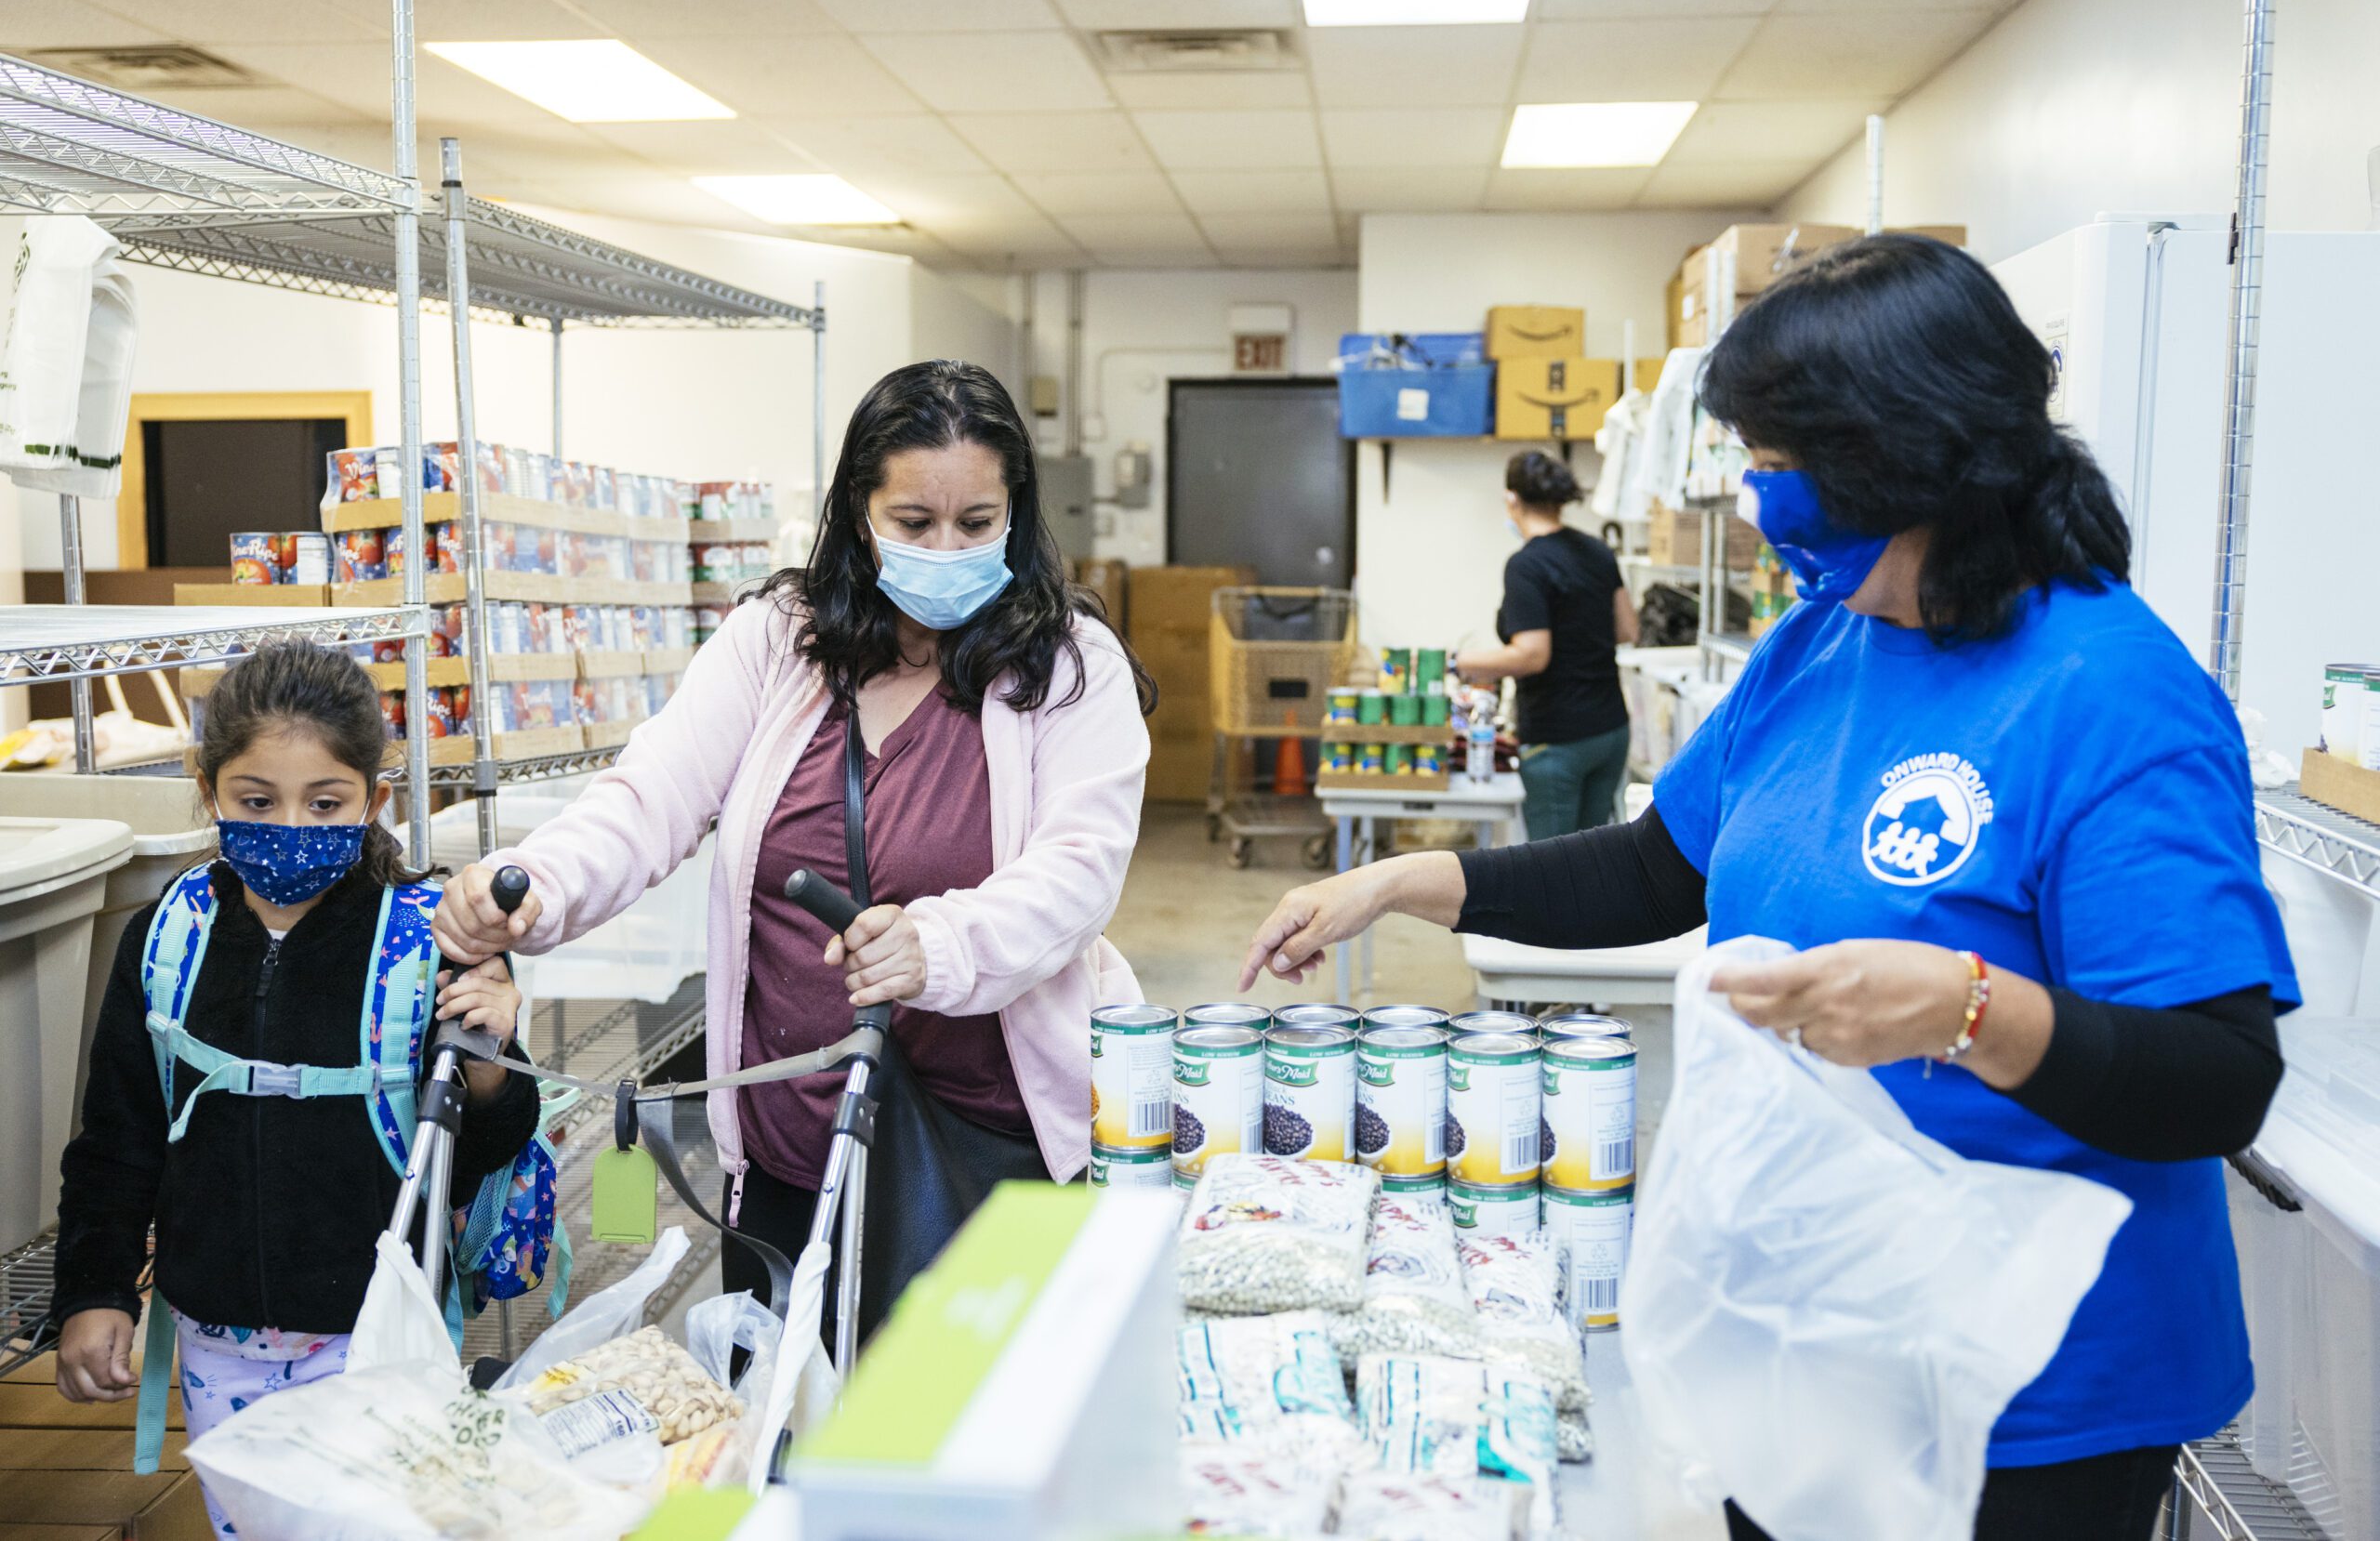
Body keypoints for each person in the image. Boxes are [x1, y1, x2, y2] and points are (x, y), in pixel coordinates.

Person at [1240, 234, 2294, 1541]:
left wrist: (1967, 1010)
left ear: (1904, 456)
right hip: (1810, 1335)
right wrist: (1406, 880)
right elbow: (1650, 869)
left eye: (1778, 467)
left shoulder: (2115, 697)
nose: (1752, 499)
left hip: (2025, 1398)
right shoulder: (1820, 644)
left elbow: (2218, 1075)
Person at [433, 360, 1156, 1335]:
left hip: (987, 1149)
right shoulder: (777, 640)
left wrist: (938, 946)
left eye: (975, 523)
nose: (945, 548)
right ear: (859, 510)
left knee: (954, 1448)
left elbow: (1077, 874)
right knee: (784, 1440)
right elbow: (651, 795)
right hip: (789, 1149)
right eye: (913, 522)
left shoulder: (1069, 668)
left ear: (1015, 517)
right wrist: (535, 887)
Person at [52, 639, 536, 1540]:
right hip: (213, 1339)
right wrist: (95, 1289)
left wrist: (489, 1057)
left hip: (380, 1335)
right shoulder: (167, 938)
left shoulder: (427, 942)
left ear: (374, 799)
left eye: (325, 803)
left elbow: (481, 1148)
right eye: (255, 801)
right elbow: (118, 1134)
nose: (288, 826)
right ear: (208, 790)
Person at [1454, 451, 1635, 838]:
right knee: (1595, 856)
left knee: (1552, 869)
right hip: (1610, 730)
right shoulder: (1597, 551)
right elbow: (1627, 628)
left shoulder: (1527, 565)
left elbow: (1533, 655)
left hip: (1559, 739)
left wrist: (1459, 662)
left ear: (1512, 499)